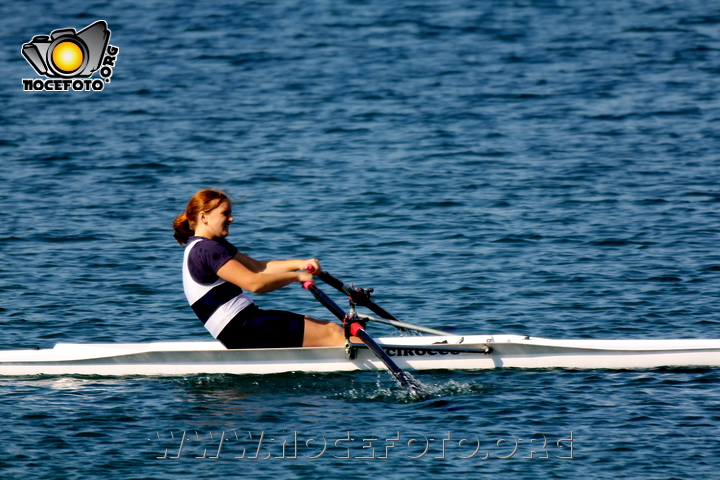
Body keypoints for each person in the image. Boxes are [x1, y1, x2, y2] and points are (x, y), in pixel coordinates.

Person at [172, 189, 346, 349]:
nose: (231, 219)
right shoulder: (208, 249)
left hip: (241, 326)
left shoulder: (202, 246)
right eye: (226, 213)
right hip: (241, 327)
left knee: (330, 328)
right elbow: (254, 283)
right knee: (332, 333)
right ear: (204, 217)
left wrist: (300, 263)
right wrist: (297, 277)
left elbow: (258, 268)